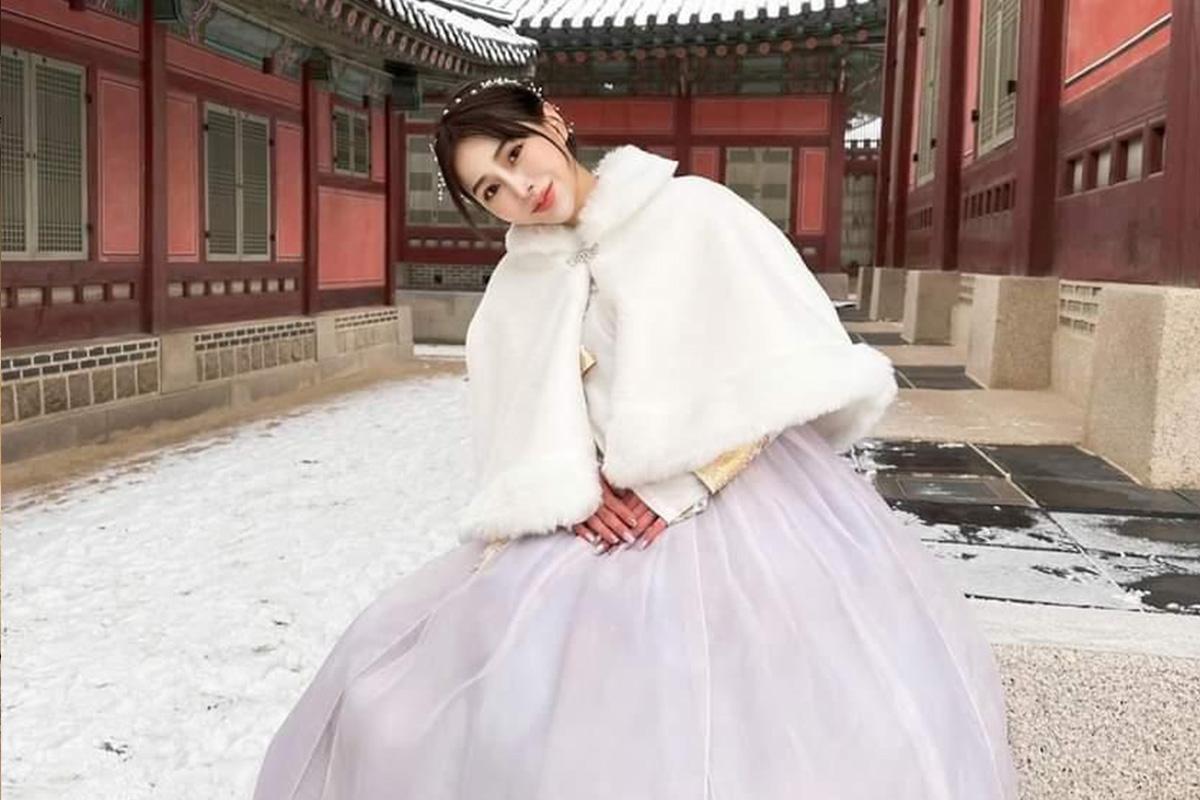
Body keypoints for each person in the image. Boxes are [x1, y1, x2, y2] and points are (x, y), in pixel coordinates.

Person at [252, 76, 1021, 800]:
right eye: (490, 190)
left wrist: (679, 483)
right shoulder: (520, 283)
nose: (518, 189)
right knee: (417, 688)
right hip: (592, 519)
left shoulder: (693, 212)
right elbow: (514, 418)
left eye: (515, 154)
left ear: (553, 123)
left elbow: (775, 363)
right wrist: (566, 487)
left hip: (745, 496)